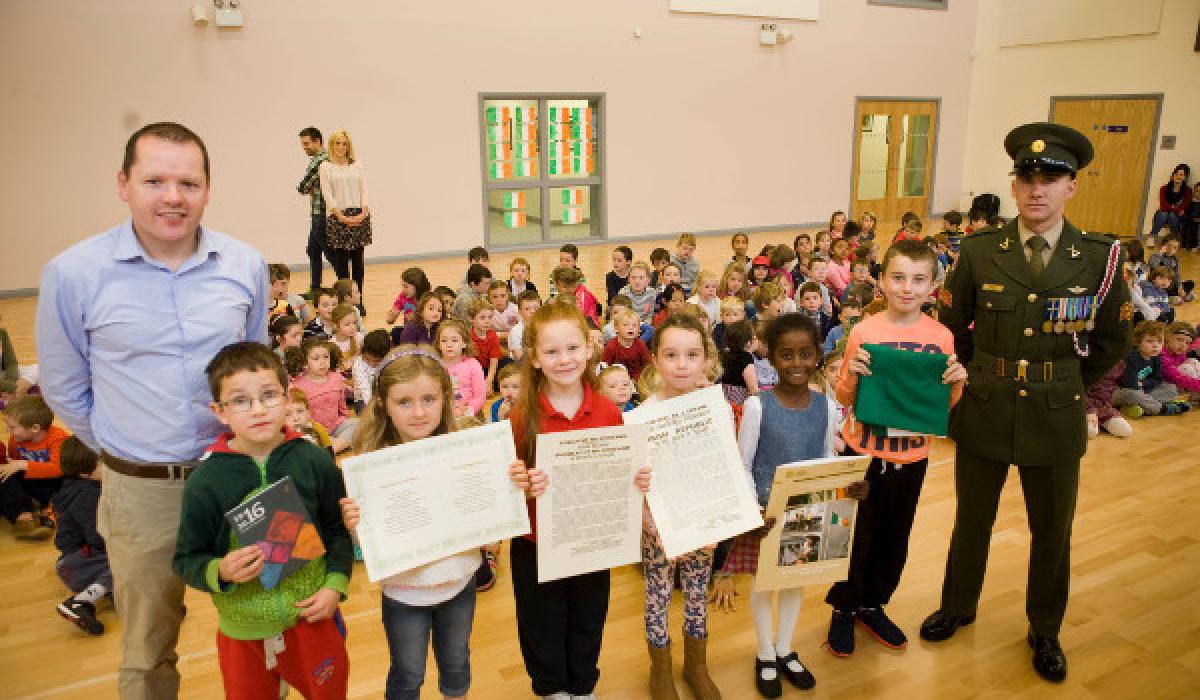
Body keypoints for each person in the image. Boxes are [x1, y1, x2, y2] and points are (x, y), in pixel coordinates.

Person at [36, 121, 269, 698]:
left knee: (272, 626)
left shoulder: (245, 264)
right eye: (155, 180)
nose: (173, 196)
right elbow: (65, 389)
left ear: (208, 188)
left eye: (188, 182)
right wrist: (129, 446)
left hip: (243, 476)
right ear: (123, 184)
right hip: (142, 491)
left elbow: (256, 369)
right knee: (147, 649)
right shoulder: (73, 274)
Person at [923, 122, 1132, 684]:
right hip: (987, 404)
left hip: (1056, 410)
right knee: (972, 520)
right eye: (1027, 177)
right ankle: (958, 606)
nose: (1038, 188)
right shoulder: (981, 249)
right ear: (1014, 188)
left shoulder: (1099, 257)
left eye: (1053, 177)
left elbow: (1114, 338)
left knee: (1051, 530)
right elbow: (954, 323)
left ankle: (1045, 629)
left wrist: (1061, 378)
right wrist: (976, 373)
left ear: (1072, 187)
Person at [340, 346, 528, 699]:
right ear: (383, 404)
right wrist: (355, 525)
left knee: (456, 663)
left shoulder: (467, 450)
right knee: (408, 673)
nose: (419, 412)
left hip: (459, 586)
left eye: (428, 399)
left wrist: (509, 485)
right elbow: (370, 543)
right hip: (403, 594)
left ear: (445, 398)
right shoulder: (372, 465)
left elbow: (493, 517)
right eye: (404, 402)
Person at [173, 342, 352, 700]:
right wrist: (220, 571)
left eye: (269, 395)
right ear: (219, 412)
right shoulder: (205, 482)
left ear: (288, 398)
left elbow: (336, 529)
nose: (258, 410)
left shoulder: (314, 460)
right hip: (244, 630)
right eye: (240, 400)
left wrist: (334, 584)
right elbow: (186, 559)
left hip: (311, 618)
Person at [823, 240, 967, 657]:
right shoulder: (865, 331)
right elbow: (847, 398)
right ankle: (843, 608)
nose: (907, 287)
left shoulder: (941, 337)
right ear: (882, 280)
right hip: (863, 456)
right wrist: (850, 372)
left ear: (932, 287)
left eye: (919, 279)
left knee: (894, 538)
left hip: (912, 459)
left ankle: (872, 603)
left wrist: (956, 382)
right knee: (854, 537)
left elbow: (940, 407)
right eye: (899, 277)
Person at [507, 301, 651, 699]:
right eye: (551, 351)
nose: (564, 359)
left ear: (589, 348)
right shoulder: (520, 417)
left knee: (588, 619)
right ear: (534, 358)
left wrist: (634, 478)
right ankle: (553, 688)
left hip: (592, 541)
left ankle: (583, 685)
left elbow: (617, 472)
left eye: (571, 348)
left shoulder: (608, 411)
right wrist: (520, 481)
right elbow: (506, 483)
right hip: (536, 544)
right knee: (542, 623)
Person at [719, 314, 859, 696]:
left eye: (805, 354)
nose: (796, 363)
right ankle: (765, 653)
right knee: (765, 586)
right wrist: (753, 511)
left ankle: (784, 649)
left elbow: (828, 455)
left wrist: (848, 485)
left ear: (817, 356)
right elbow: (744, 463)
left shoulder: (826, 406)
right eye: (786, 355)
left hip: (808, 511)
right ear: (771, 358)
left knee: (795, 583)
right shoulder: (757, 406)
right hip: (768, 515)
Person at [639, 314, 723, 700]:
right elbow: (635, 477)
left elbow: (723, 468)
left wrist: (722, 522)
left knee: (695, 593)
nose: (682, 364)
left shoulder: (716, 407)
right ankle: (660, 670)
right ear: (655, 359)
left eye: (691, 355)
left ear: (706, 359)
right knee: (657, 597)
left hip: (703, 523)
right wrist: (647, 518)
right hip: (659, 527)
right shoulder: (642, 415)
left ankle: (696, 665)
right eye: (671, 355)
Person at [52, 436, 112, 635]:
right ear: (85, 472)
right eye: (104, 463)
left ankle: (116, 592)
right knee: (131, 561)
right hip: (77, 562)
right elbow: (98, 536)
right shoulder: (88, 495)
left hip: (78, 560)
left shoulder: (79, 486)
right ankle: (81, 601)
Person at [1, 395, 69, 540]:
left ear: (35, 428)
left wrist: (23, 465)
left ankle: (50, 510)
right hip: (31, 483)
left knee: (74, 483)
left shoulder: (58, 437)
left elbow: (58, 469)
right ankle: (23, 515)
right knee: (4, 475)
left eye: (12, 427)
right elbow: (14, 463)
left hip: (55, 483)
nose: (8, 431)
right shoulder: (15, 439)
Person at [319, 128, 372, 295]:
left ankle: (358, 298)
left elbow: (364, 190)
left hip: (359, 214)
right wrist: (340, 216)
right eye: (338, 143)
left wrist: (363, 212)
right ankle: (344, 298)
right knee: (341, 263)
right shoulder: (326, 167)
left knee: (358, 262)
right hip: (338, 216)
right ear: (332, 145)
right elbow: (327, 194)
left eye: (344, 144)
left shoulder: (357, 165)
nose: (341, 147)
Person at [290, 338, 357, 454]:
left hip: (336, 425)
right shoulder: (298, 385)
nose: (322, 362)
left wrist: (345, 418)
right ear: (305, 362)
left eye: (326, 357)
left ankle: (331, 449)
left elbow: (342, 404)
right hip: (314, 431)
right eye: (315, 358)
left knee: (359, 424)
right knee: (305, 440)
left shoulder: (336, 377)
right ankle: (338, 445)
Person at [1111, 320, 1191, 417]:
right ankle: (1163, 408)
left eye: (1159, 341)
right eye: (1150, 341)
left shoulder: (1156, 357)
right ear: (1138, 342)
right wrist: (1143, 386)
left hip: (1142, 389)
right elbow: (1130, 384)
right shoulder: (1132, 357)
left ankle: (1136, 407)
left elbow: (1158, 379)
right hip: (1120, 390)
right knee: (1134, 395)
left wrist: (1143, 384)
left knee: (1171, 388)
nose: (1155, 345)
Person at [297, 126, 334, 292]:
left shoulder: (320, 160)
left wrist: (308, 189)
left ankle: (346, 286)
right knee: (313, 249)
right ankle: (315, 288)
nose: (304, 148)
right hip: (318, 213)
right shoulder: (326, 158)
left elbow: (302, 187)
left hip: (321, 214)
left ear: (317, 141)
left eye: (306, 144)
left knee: (330, 252)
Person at [436, 319, 486, 417]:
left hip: (469, 415)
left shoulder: (473, 365)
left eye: (454, 340)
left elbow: (480, 396)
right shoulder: (434, 366)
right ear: (438, 344)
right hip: (442, 416)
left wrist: (468, 411)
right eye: (444, 340)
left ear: (464, 343)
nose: (449, 344)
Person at [1146, 164, 1191, 246]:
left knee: (1172, 215)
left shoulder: (1188, 191)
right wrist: (1175, 208)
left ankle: (1172, 240)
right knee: (1164, 214)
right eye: (1176, 174)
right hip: (1164, 213)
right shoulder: (1163, 188)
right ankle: (1151, 237)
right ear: (1173, 175)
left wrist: (1172, 209)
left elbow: (1185, 206)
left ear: (1185, 177)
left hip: (1177, 215)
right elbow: (1163, 205)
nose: (1178, 176)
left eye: (1181, 175)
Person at [601, 308, 651, 381]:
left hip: (637, 380)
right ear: (616, 328)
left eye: (634, 325)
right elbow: (605, 367)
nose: (630, 327)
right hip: (616, 379)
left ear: (639, 330)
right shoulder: (611, 346)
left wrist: (638, 378)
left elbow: (646, 365)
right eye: (625, 325)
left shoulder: (641, 344)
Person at [508, 290, 542, 362]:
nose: (532, 311)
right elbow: (519, 357)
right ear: (520, 312)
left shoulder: (545, 327)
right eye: (527, 309)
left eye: (536, 308)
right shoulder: (515, 331)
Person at [620, 262, 658, 326]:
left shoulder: (652, 293)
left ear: (648, 280)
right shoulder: (623, 293)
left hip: (645, 324)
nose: (637, 281)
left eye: (641, 278)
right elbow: (622, 315)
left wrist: (643, 325)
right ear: (629, 279)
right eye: (633, 277)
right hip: (628, 324)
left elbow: (650, 315)